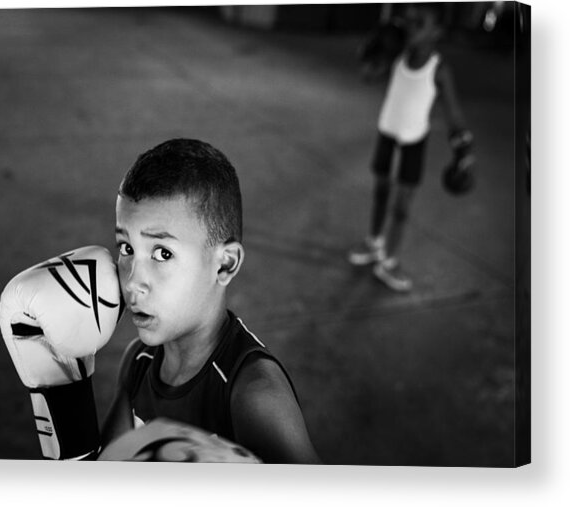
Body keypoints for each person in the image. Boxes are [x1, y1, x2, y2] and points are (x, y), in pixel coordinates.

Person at [100, 138, 320, 464]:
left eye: (162, 253)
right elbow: (101, 478)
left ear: (225, 264)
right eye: (126, 248)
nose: (132, 281)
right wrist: (60, 384)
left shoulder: (254, 396)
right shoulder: (138, 361)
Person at [348, 4, 472, 292]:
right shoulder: (396, 56)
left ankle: (389, 261)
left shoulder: (439, 69)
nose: (411, 27)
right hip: (387, 133)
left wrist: (464, 149)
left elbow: (454, 114)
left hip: (413, 140)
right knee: (380, 193)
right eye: (409, 20)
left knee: (402, 207)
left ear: (437, 31)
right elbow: (368, 75)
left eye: (420, 22)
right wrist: (369, 50)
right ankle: (374, 243)